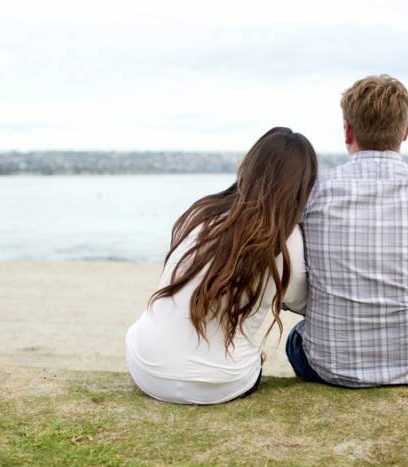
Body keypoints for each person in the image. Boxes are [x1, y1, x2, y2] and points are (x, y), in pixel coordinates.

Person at [286, 75, 408, 387]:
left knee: (296, 338)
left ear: (347, 130)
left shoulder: (313, 192)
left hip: (329, 367)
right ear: (406, 131)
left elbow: (288, 269)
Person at [125, 127, 318, 404]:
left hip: (145, 369)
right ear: (303, 187)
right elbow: (307, 304)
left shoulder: (202, 214)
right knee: (253, 353)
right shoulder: (289, 242)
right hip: (221, 384)